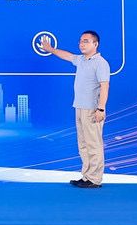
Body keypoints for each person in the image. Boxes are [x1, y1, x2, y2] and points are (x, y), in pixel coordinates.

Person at [39, 30, 112, 188]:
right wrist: (50, 49)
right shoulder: (81, 60)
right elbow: (67, 55)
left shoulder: (101, 63)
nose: (81, 44)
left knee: (94, 144)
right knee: (83, 144)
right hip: (79, 107)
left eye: (86, 41)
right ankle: (86, 176)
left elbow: (105, 87)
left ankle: (95, 179)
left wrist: (101, 109)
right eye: (80, 41)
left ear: (95, 44)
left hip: (92, 109)